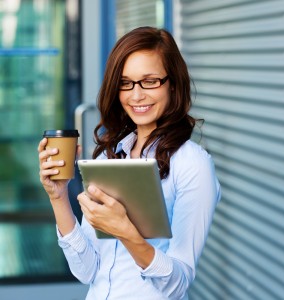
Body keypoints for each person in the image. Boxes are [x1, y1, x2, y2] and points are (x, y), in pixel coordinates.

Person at [38, 26, 221, 300]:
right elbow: (87, 272)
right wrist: (58, 197)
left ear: (172, 83)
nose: (136, 95)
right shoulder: (109, 157)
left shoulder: (192, 164)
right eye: (125, 83)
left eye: (149, 81)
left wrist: (127, 233)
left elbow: (178, 283)